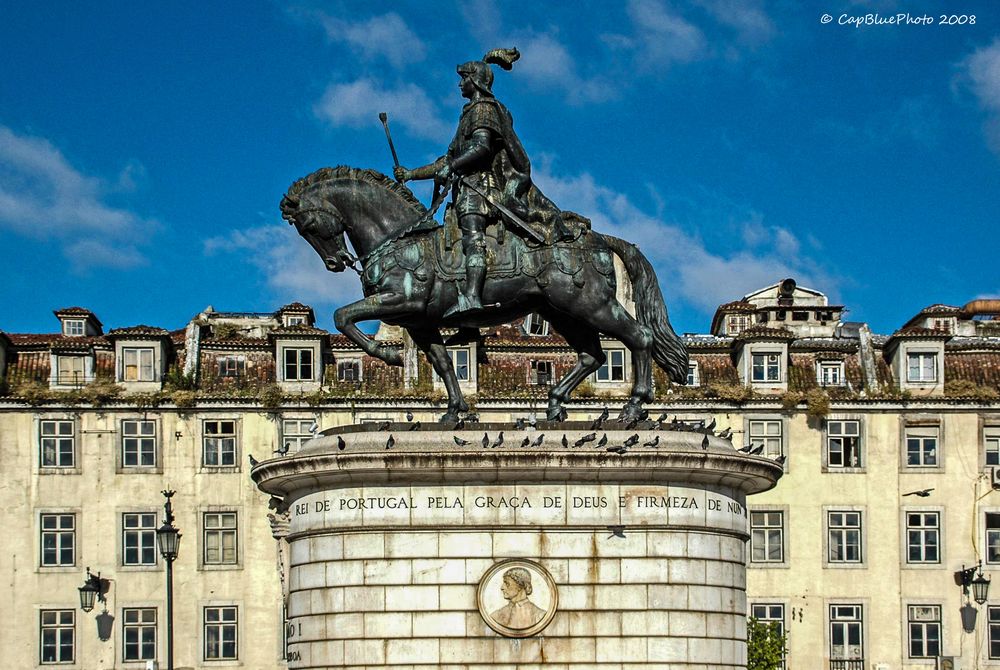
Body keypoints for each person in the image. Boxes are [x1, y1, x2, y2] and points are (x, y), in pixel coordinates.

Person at [395, 48, 565, 318]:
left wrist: (452, 166)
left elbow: (482, 147)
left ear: (475, 80)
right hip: (468, 188)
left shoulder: (484, 109)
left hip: (481, 189)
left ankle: (473, 296)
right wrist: (411, 174)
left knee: (472, 238)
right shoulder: (469, 113)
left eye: (464, 78)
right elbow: (446, 159)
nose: (460, 83)